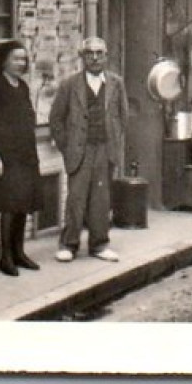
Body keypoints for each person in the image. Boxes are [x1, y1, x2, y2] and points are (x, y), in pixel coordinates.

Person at [47, 36, 128, 263]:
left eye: (99, 53)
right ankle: (69, 244)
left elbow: (122, 116)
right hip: (79, 150)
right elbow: (56, 119)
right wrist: (66, 146)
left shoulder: (116, 83)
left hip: (104, 148)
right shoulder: (70, 85)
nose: (94, 58)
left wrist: (114, 140)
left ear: (106, 56)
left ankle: (99, 244)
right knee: (76, 198)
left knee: (101, 200)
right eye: (89, 53)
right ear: (82, 57)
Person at [0, 40, 42, 277]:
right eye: (15, 59)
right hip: (8, 155)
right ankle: (5, 257)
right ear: (4, 60)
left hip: (26, 153)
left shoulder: (23, 86)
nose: (20, 63)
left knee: (23, 203)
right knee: (9, 205)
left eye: (23, 59)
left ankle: (19, 252)